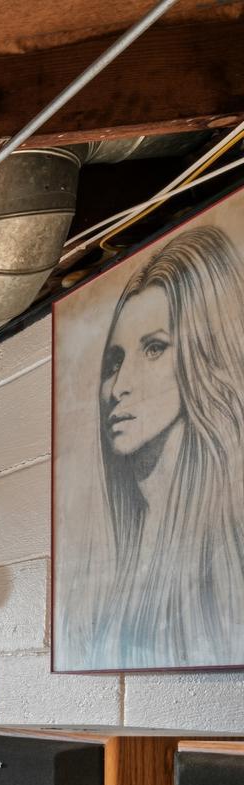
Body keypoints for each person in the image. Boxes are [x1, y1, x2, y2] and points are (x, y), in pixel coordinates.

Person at [80, 224, 244, 667]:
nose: (119, 387)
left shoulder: (224, 555)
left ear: (202, 356)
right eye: (114, 361)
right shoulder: (123, 561)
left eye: (154, 348)